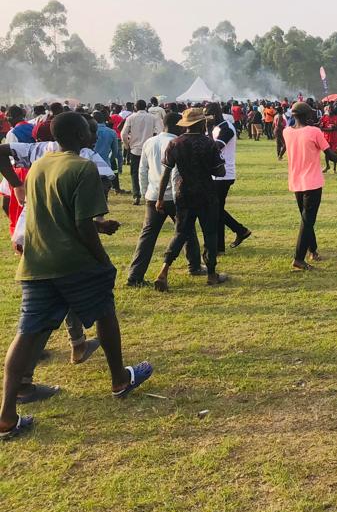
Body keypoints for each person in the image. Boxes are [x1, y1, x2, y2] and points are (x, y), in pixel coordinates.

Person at [0, 113, 153, 441]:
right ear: (76, 134)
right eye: (87, 129)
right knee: (105, 312)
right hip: (74, 263)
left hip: (37, 264)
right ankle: (119, 380)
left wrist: (99, 226)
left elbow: (54, 213)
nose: (92, 133)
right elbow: (82, 224)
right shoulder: (82, 168)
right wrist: (103, 259)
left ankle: (6, 415)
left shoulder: (41, 165)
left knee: (26, 334)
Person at [153, 108, 229, 291]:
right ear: (202, 123)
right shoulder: (209, 144)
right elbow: (220, 171)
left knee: (181, 233)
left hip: (183, 193)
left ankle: (164, 271)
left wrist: (160, 198)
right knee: (210, 233)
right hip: (207, 194)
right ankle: (211, 274)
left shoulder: (174, 143)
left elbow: (166, 173)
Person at [126, 112, 203, 286]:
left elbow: (142, 169)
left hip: (153, 196)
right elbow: (176, 172)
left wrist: (145, 192)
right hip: (174, 196)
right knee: (186, 230)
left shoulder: (150, 142)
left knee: (147, 236)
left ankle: (134, 275)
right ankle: (194, 265)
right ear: (179, 125)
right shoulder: (177, 142)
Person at [282, 102, 337, 271]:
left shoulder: (287, 132)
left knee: (306, 218)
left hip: (296, 181)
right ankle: (299, 259)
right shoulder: (314, 132)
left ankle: (312, 250)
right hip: (312, 182)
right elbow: (330, 155)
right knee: (308, 220)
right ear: (307, 116)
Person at [207, 102, 252, 252]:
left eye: (208, 115)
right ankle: (221, 245)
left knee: (216, 210)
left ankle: (240, 230)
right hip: (217, 174)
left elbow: (215, 147)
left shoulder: (226, 128)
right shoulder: (217, 127)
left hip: (224, 174)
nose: (206, 118)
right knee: (217, 210)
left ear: (214, 114)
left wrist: (206, 130)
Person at [120, 100, 162, 206]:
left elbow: (123, 133)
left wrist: (127, 145)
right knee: (150, 171)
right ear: (145, 107)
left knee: (135, 173)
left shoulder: (131, 117)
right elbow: (160, 130)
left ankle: (136, 195)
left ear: (135, 107)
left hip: (135, 149)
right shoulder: (152, 117)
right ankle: (148, 193)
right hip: (149, 148)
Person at [319, 104, 337, 173]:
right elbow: (321, 128)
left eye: (332, 108)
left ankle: (334, 169)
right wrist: (327, 129)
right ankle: (327, 166)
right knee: (327, 153)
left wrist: (335, 128)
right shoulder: (324, 117)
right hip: (326, 138)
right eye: (329, 108)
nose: (330, 110)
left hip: (335, 138)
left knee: (335, 153)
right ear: (327, 109)